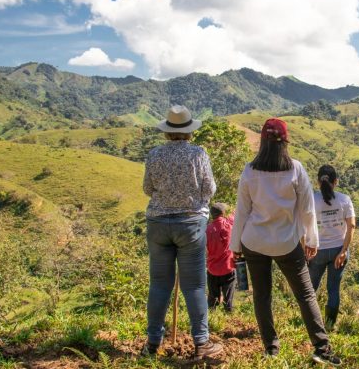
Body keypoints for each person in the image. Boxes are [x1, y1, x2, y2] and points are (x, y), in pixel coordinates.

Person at [230, 118, 342, 366]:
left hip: (254, 242)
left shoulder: (250, 171)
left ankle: (271, 348)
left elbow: (242, 212)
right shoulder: (296, 169)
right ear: (285, 142)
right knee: (305, 295)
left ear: (262, 142)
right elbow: (307, 209)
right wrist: (312, 239)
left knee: (262, 296)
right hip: (287, 243)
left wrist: (235, 246)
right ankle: (322, 348)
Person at [141, 105, 223, 359]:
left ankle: (153, 342)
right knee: (195, 286)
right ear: (189, 131)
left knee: (158, 285)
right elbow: (209, 189)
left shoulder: (154, 154)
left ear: (167, 131)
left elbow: (147, 189)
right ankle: (202, 342)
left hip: (158, 223)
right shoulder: (198, 154)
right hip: (190, 224)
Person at [308, 165, 356, 331]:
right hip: (338, 250)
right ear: (336, 181)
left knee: (310, 288)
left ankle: (311, 322)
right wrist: (343, 251)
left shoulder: (312, 199)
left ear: (318, 181)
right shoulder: (344, 199)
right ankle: (329, 324)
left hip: (317, 251)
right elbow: (352, 226)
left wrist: (305, 247)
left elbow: (303, 225)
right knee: (333, 289)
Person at [206, 202, 236, 312]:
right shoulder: (229, 225)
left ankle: (212, 315)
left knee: (213, 297)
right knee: (228, 298)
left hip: (212, 269)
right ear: (223, 213)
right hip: (228, 267)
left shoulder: (207, 229)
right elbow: (235, 215)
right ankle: (228, 312)